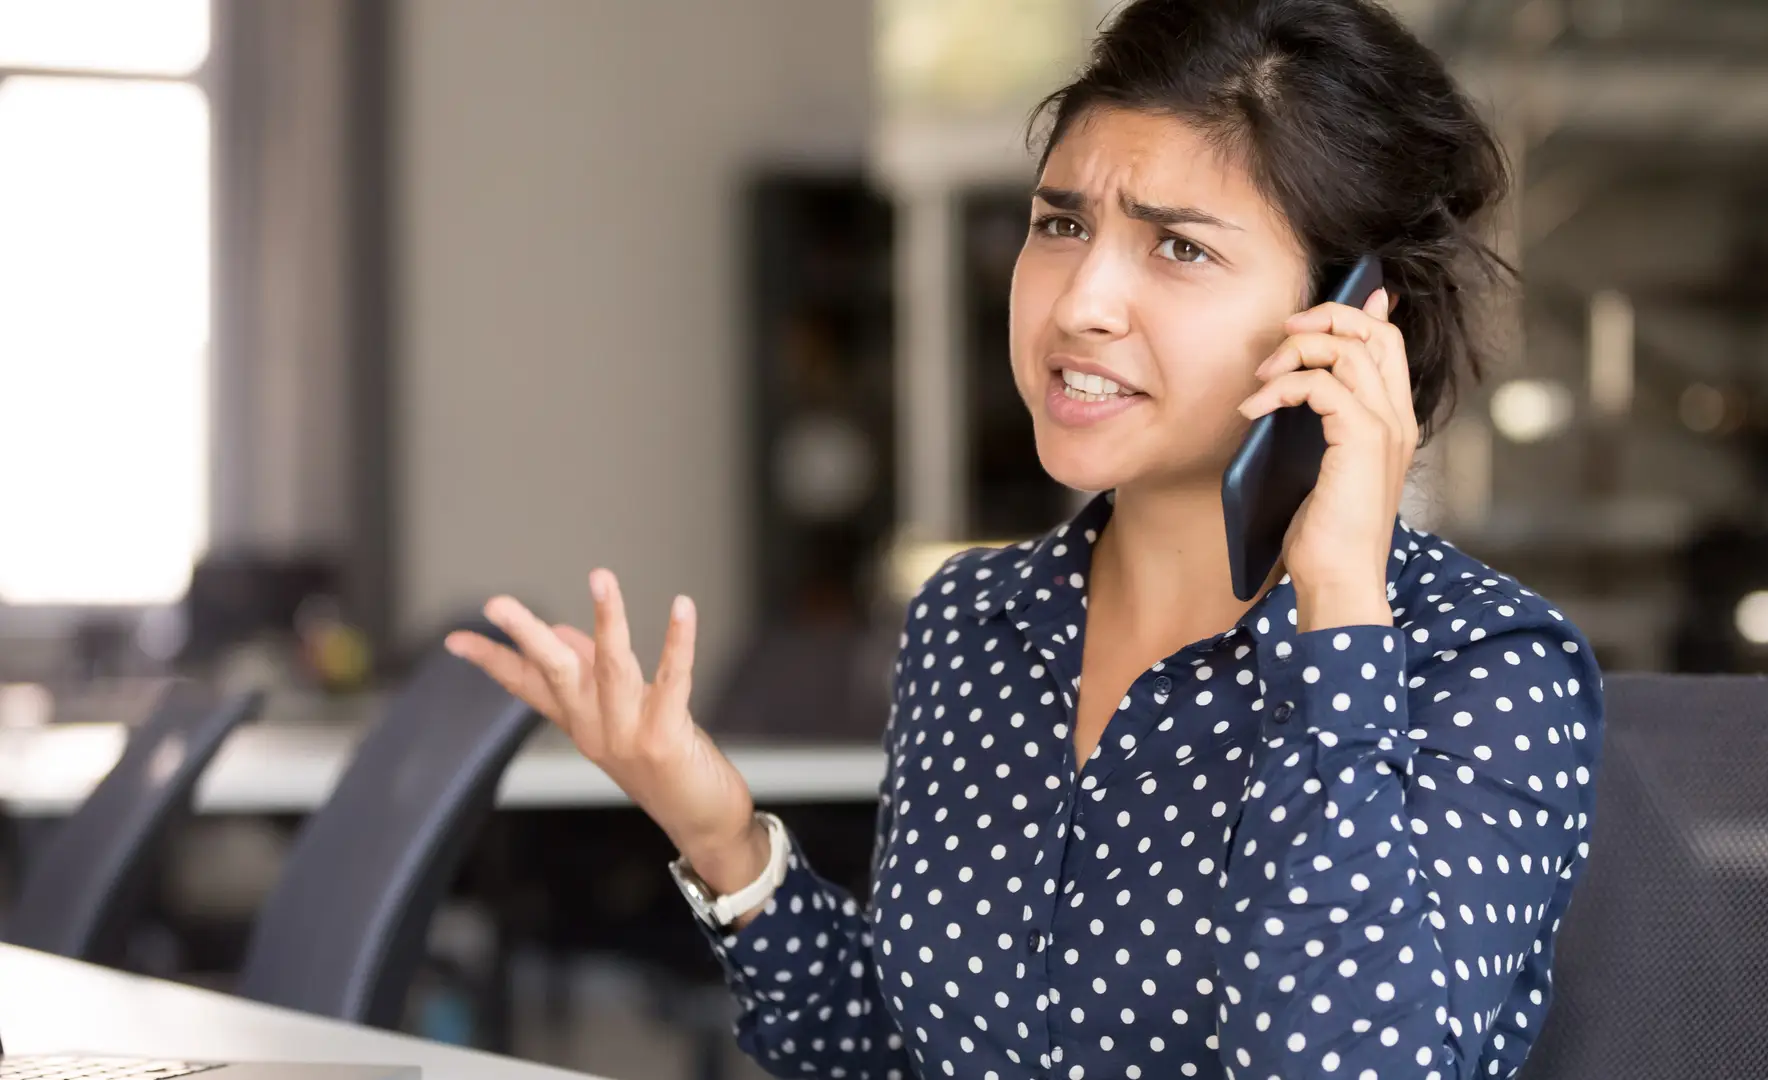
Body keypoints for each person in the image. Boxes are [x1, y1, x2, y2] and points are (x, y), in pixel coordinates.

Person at [447, 0, 1604, 1075]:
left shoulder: (1479, 667)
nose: (1080, 299)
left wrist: (1341, 612)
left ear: (1354, 320)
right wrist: (722, 834)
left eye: (1179, 247)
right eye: (1060, 223)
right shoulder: (977, 621)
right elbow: (905, 1052)